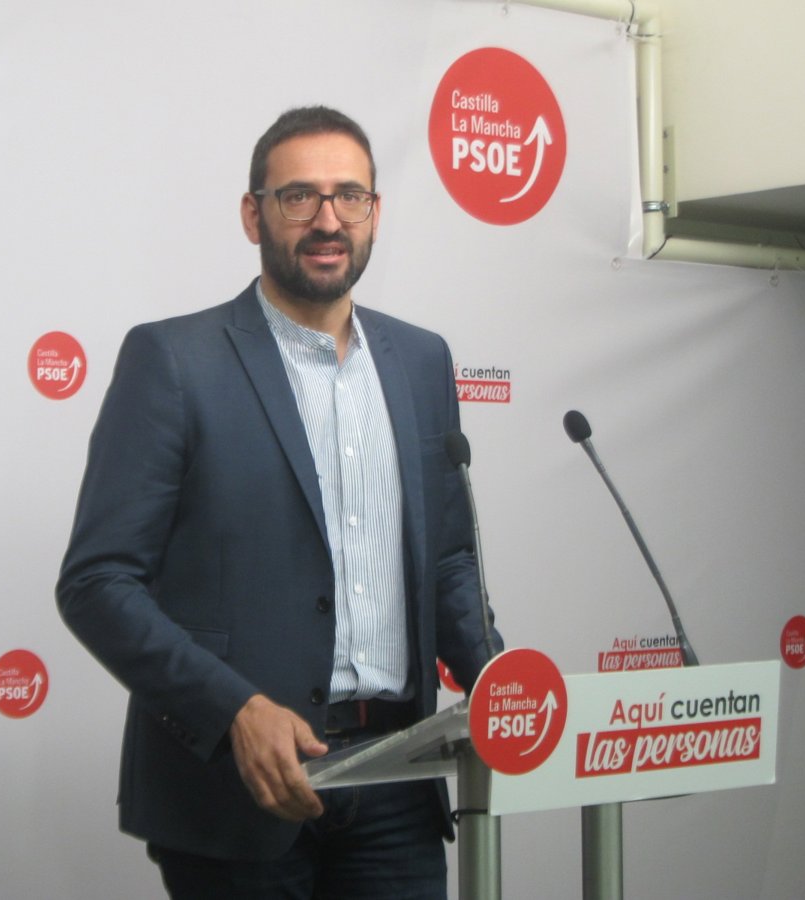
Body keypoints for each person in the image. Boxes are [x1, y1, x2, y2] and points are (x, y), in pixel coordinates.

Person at [56, 105, 502, 899]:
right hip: (237, 793)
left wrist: (499, 677)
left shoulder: (422, 360)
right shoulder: (174, 361)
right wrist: (234, 709)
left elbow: (446, 561)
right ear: (252, 214)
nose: (328, 221)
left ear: (374, 212)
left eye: (349, 196)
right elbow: (98, 583)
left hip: (398, 783)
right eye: (300, 197)